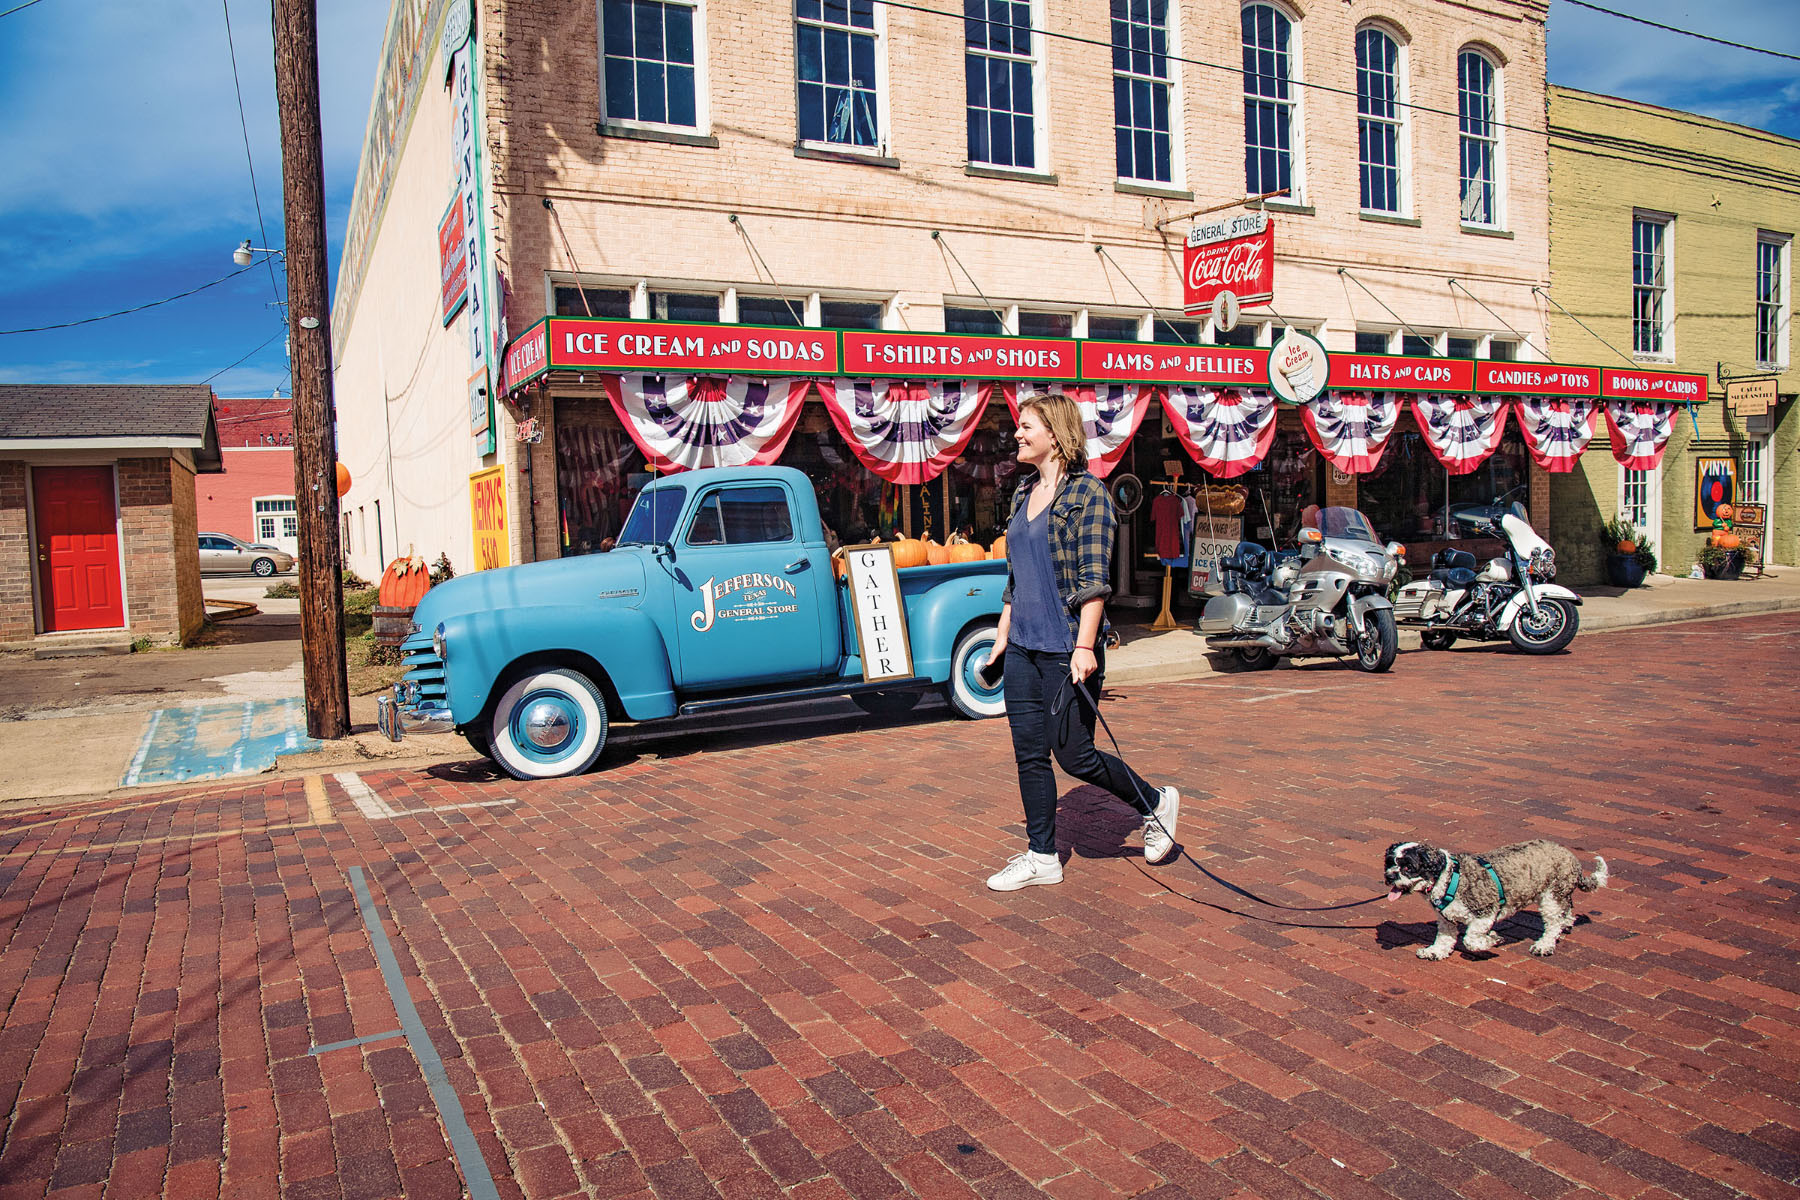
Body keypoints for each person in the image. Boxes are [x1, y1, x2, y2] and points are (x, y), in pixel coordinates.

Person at [983, 393, 1181, 891]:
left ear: (1055, 433)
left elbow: (1094, 580)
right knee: (1029, 754)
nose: (1018, 434)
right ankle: (1042, 855)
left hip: (1066, 646)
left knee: (1075, 756)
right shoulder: (1020, 494)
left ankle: (1154, 803)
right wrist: (1002, 638)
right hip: (1024, 649)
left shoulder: (1089, 495)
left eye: (1027, 426)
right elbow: (1016, 578)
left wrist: (1085, 647)